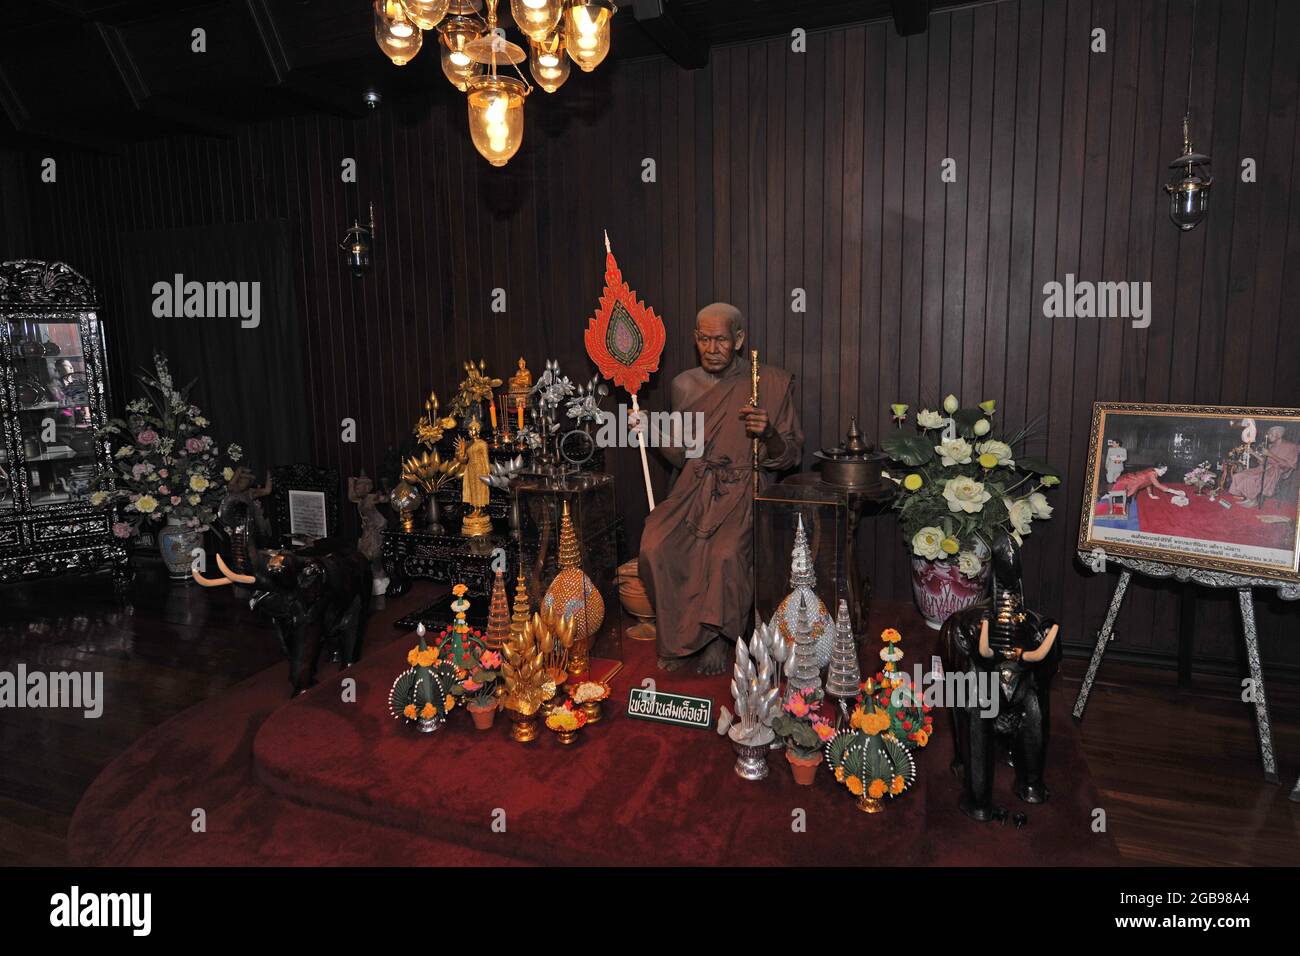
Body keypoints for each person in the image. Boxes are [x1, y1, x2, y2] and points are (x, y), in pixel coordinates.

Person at [634, 303, 803, 675]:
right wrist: (653, 432)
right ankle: (679, 636)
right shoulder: (684, 385)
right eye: (704, 339)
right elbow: (683, 456)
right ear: (695, 339)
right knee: (655, 545)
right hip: (695, 486)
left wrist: (769, 432)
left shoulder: (767, 383)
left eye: (721, 340)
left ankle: (717, 639)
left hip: (745, 487)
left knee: (725, 553)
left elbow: (791, 456)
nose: (712, 349)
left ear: (739, 339)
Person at [1228, 425, 1299, 507]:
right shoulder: (1272, 446)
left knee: (1250, 479)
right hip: (1263, 468)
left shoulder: (1290, 446)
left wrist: (1270, 454)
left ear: (1279, 435)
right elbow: (1264, 461)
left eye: (1271, 434)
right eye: (1268, 434)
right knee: (1239, 475)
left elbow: (1289, 465)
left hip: (1274, 472)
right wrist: (1253, 453)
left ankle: (1253, 500)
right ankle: (1246, 495)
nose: (1268, 436)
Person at [1110, 463, 1175, 501]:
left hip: (1132, 482)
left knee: (1125, 499)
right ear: (1158, 468)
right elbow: (1158, 485)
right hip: (1126, 482)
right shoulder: (1152, 473)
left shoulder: (1153, 471)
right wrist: (1176, 492)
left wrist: (1151, 495)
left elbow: (1148, 483)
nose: (1164, 473)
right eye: (1163, 471)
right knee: (1120, 499)